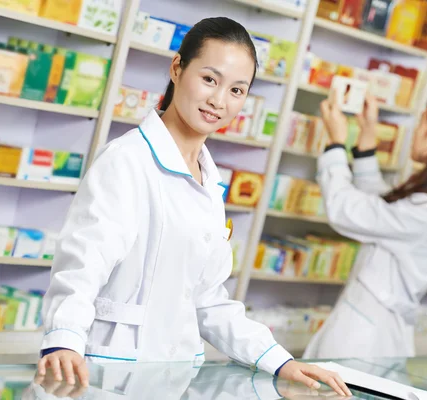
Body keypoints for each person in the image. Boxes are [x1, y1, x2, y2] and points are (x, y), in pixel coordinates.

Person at [36, 16, 351, 396]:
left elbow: (208, 302)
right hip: (110, 374)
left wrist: (280, 361)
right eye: (210, 80)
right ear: (176, 68)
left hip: (177, 378)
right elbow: (82, 265)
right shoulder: (127, 160)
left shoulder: (208, 180)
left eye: (237, 90)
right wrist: (64, 338)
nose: (220, 101)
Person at [304, 91, 427, 359]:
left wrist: (336, 143)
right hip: (375, 326)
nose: (416, 130)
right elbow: (383, 208)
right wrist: (367, 135)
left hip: (364, 337)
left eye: (422, 123)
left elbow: (345, 210)